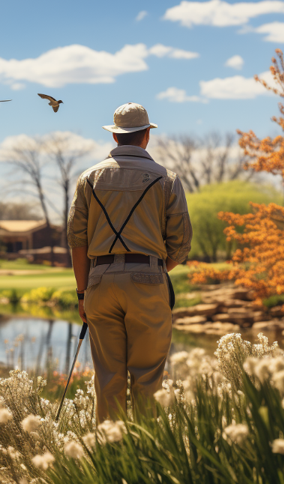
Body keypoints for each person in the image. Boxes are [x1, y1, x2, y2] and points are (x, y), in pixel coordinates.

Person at [67, 102, 192, 422]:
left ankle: (110, 460)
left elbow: (77, 241)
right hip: (149, 279)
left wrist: (82, 293)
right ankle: (146, 461)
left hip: (100, 283)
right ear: (147, 136)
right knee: (148, 379)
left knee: (108, 380)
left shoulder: (88, 178)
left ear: (115, 138)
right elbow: (181, 245)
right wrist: (152, 271)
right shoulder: (167, 178)